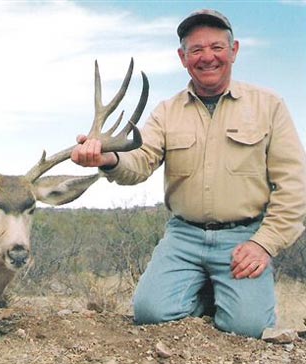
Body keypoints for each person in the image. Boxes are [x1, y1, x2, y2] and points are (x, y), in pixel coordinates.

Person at [72, 9, 306, 338]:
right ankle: (209, 292)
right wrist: (108, 158)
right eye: (196, 50)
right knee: (151, 313)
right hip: (184, 237)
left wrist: (263, 245)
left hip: (243, 239)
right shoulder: (167, 112)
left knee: (248, 328)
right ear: (182, 58)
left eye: (216, 48)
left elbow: (295, 187)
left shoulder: (269, 105)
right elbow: (139, 162)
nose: (207, 57)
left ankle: (230, 296)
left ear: (234, 51)